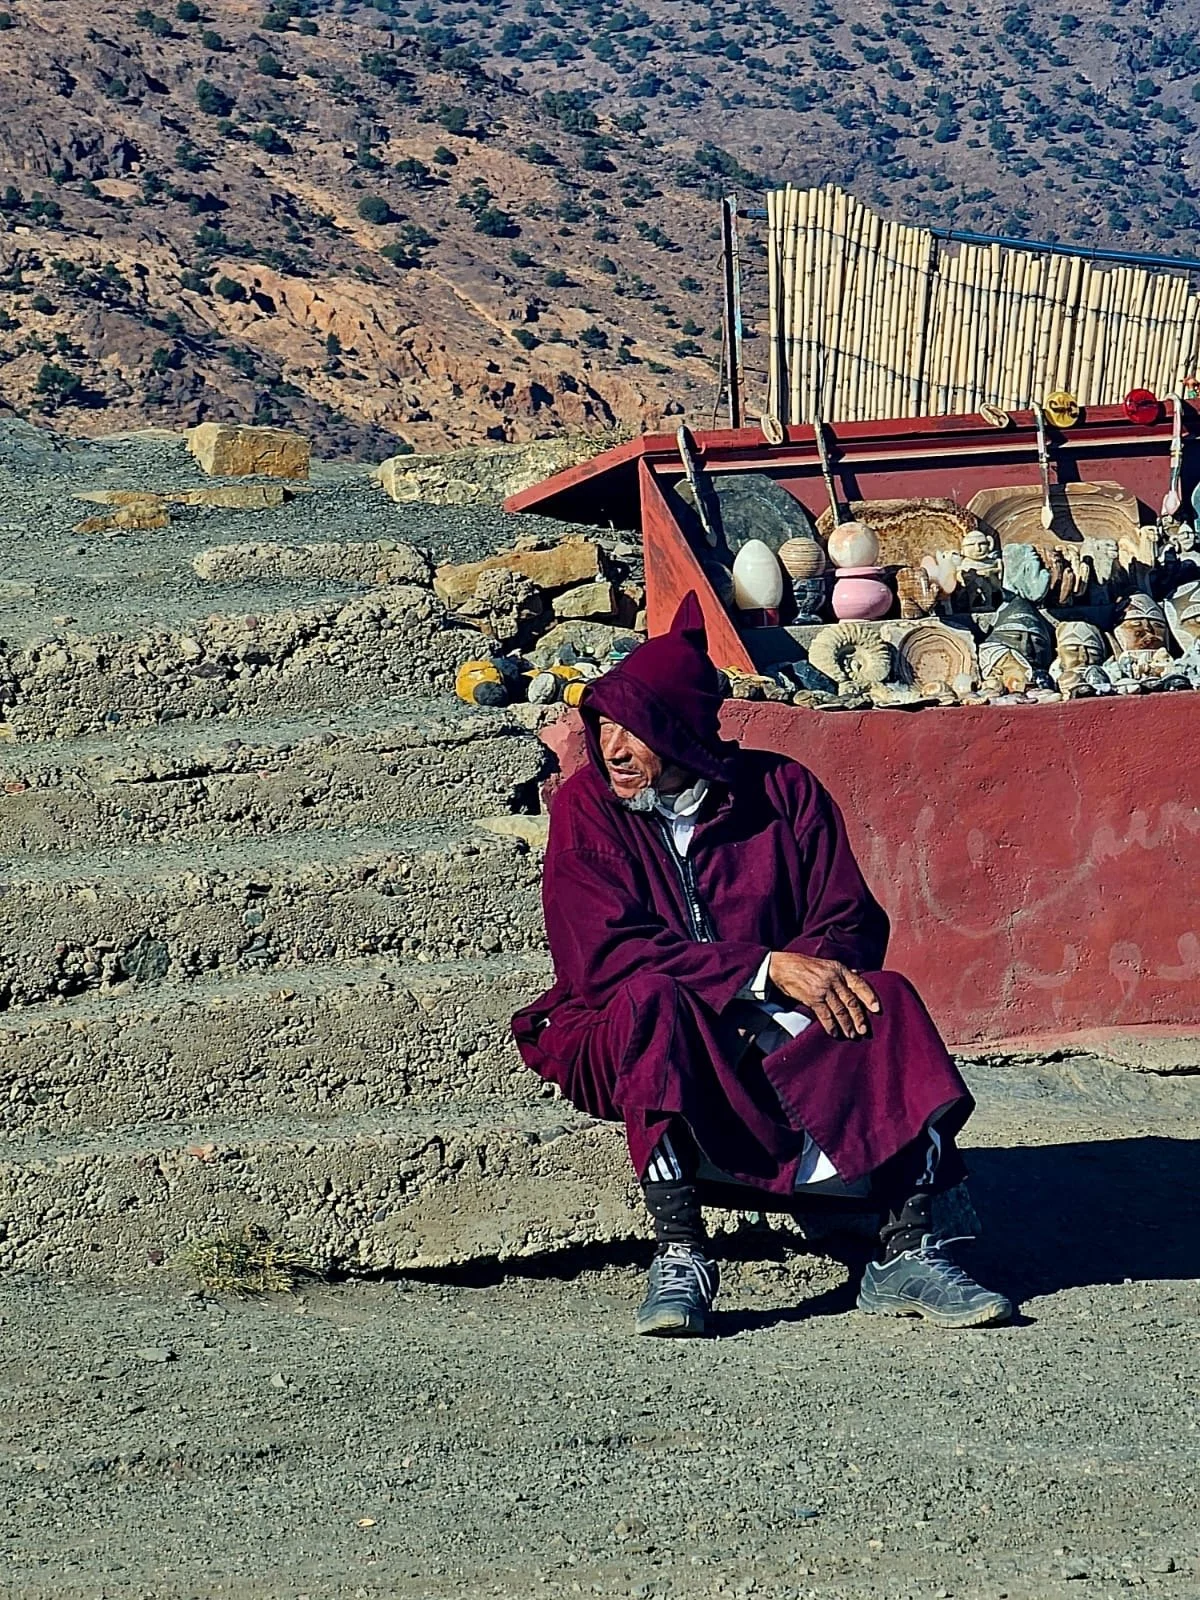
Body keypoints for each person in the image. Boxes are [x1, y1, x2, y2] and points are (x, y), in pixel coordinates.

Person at [512, 594, 1013, 1337]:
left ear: (680, 731)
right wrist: (762, 972)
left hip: (775, 1018)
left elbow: (847, 917)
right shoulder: (588, 808)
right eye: (605, 726)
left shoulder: (783, 791)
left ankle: (905, 1251)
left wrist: (804, 985)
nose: (613, 748)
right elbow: (605, 957)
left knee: (889, 1000)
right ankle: (681, 1252)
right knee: (654, 1000)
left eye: (635, 730)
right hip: (627, 1020)